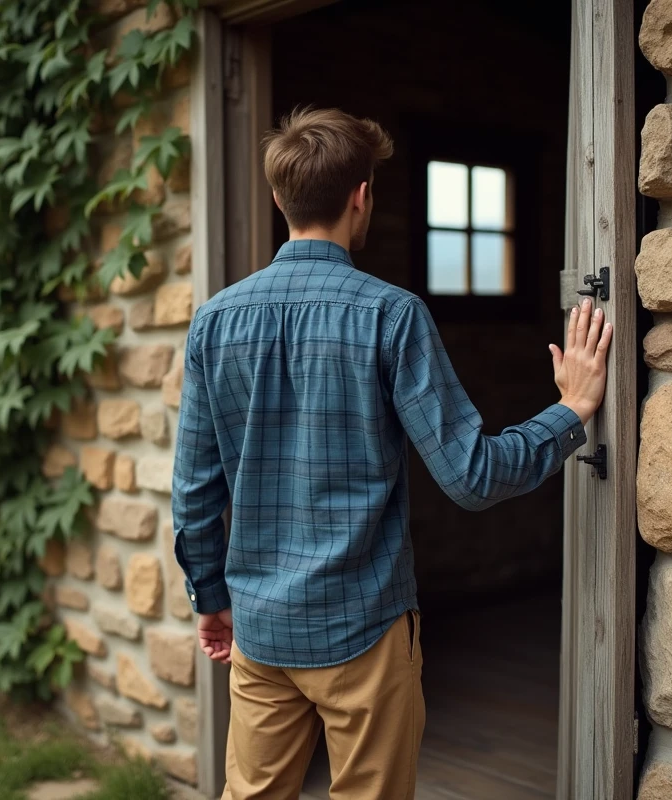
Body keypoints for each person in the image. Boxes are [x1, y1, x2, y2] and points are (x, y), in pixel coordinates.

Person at [172, 107, 612, 800]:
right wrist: (572, 410)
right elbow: (470, 474)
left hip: (259, 628)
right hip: (366, 628)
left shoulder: (215, 320)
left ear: (279, 199)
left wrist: (210, 597)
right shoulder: (389, 314)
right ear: (361, 195)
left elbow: (194, 490)